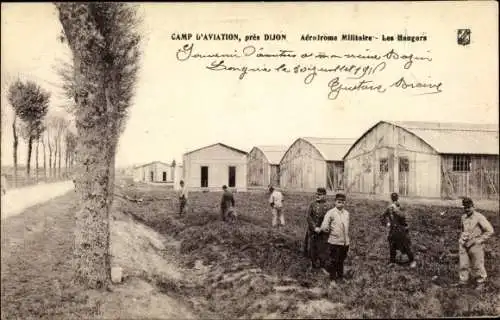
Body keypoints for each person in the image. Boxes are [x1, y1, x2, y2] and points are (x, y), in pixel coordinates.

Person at [454, 197, 494, 289]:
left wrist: (479, 240)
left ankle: (481, 282)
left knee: (477, 264)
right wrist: (461, 239)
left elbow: (490, 230)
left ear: (473, 207)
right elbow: (462, 229)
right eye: (465, 207)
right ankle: (463, 281)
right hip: (464, 243)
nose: (466, 209)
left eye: (468, 207)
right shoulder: (463, 217)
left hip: (475, 244)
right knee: (463, 263)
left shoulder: (479, 217)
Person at [316, 193, 350, 287]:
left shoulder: (346, 213)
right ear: (335, 202)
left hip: (345, 241)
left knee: (341, 260)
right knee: (334, 260)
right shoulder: (331, 213)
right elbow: (324, 225)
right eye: (339, 202)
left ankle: (340, 277)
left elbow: (346, 226)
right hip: (334, 241)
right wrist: (326, 228)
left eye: (343, 202)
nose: (341, 204)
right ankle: (332, 279)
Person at [380, 192, 416, 268]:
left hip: (401, 229)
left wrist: (396, 210)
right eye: (393, 198)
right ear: (391, 198)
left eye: (395, 198)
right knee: (392, 246)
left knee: (406, 245)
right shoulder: (389, 208)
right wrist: (387, 224)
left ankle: (412, 260)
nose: (394, 199)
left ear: (397, 198)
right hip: (393, 230)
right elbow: (382, 217)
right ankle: (392, 261)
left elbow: (404, 217)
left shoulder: (400, 207)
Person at [304, 187, 330, 271]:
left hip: (323, 232)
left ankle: (322, 266)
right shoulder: (312, 204)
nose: (317, 195)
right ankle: (313, 265)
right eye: (317, 194)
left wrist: (324, 228)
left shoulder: (328, 206)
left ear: (324, 195)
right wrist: (314, 227)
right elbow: (308, 216)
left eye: (320, 194)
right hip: (313, 231)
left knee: (323, 248)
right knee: (312, 247)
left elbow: (329, 218)